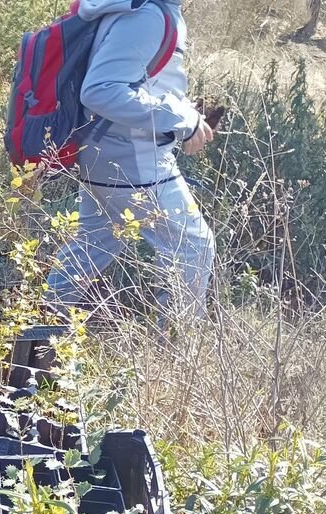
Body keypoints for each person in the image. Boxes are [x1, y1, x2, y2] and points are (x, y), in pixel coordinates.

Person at [46, 0, 216, 321]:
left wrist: (183, 109)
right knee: (193, 245)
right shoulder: (148, 15)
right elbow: (100, 90)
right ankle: (178, 351)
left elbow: (135, 81)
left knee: (95, 242)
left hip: (108, 152)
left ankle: (37, 327)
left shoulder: (143, 9)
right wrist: (180, 117)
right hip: (130, 158)